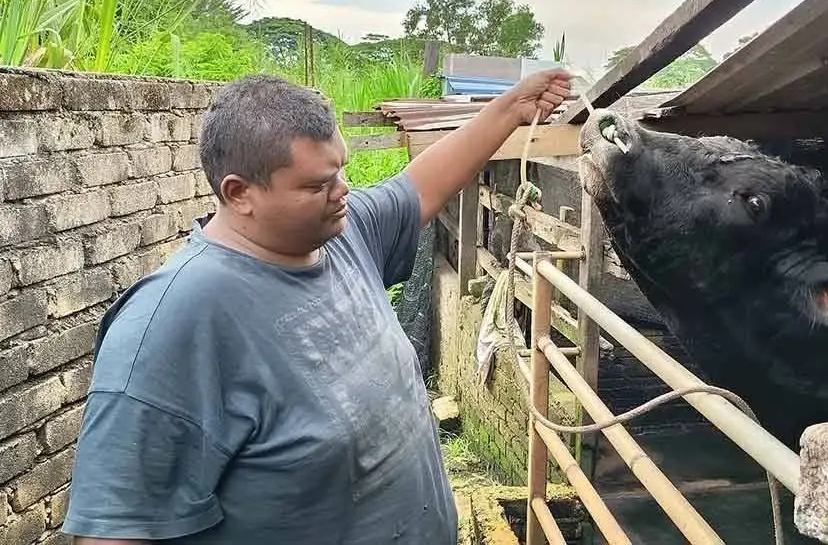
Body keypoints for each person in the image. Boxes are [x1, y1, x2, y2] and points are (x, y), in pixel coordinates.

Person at [61, 68, 573, 545]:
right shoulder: (173, 326)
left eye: (341, 171)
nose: (342, 191)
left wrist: (508, 110)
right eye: (316, 184)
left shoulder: (341, 236)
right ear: (239, 193)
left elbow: (420, 185)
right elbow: (116, 528)